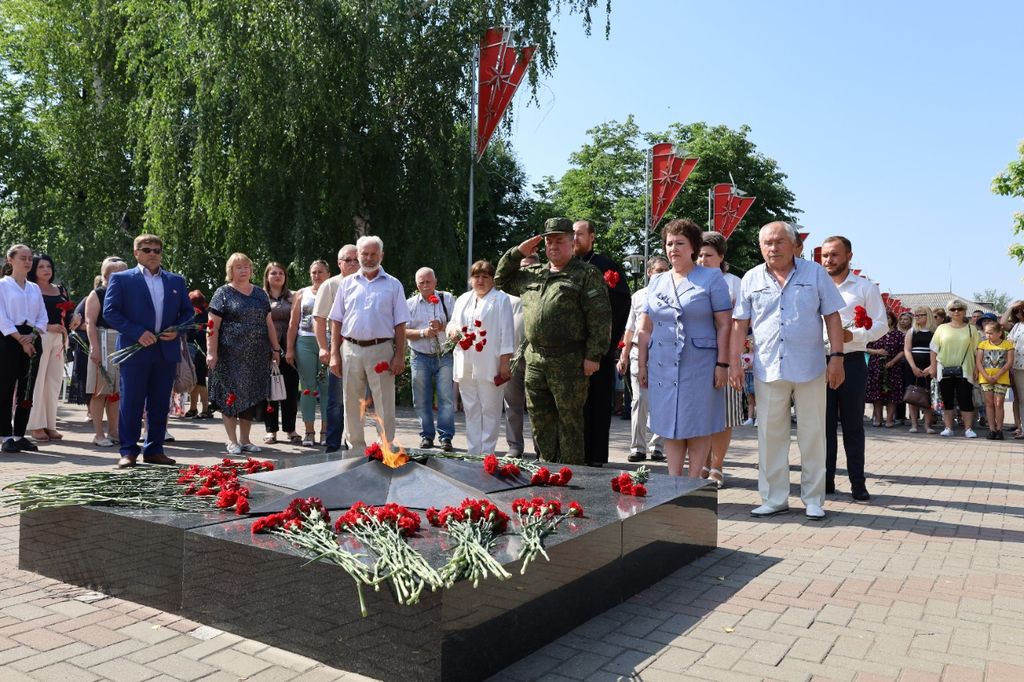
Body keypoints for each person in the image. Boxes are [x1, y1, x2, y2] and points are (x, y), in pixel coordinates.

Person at [730, 222, 846, 520]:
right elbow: (740, 324)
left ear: (794, 245)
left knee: (813, 433)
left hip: (810, 366)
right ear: (760, 247)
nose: (773, 247)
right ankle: (774, 498)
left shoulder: (815, 273)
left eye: (779, 241)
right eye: (767, 242)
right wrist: (734, 361)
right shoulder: (751, 278)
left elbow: (832, 317)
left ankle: (814, 499)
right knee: (770, 436)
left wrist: (837, 357)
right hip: (768, 367)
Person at [494, 217, 611, 465]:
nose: (553, 246)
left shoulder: (586, 274)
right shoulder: (532, 274)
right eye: (549, 242)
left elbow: (600, 317)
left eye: (559, 240)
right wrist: (518, 252)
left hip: (569, 360)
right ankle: (547, 467)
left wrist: (593, 355)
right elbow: (501, 279)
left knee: (569, 421)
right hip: (535, 360)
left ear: (572, 243)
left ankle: (571, 472)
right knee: (540, 419)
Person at [636, 219, 732, 478]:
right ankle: (673, 481)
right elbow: (645, 328)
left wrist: (723, 364)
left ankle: (693, 482)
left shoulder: (711, 278)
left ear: (693, 247)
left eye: (680, 243)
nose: (673, 249)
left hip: (700, 363)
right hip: (662, 362)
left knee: (698, 422)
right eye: (669, 244)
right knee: (670, 423)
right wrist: (642, 364)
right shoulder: (657, 282)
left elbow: (724, 324)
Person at [104, 235, 194, 467]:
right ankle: (128, 451)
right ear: (136, 252)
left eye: (157, 250)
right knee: (131, 402)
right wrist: (137, 332)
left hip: (166, 350)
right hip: (135, 350)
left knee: (160, 403)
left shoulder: (176, 281)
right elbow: (110, 311)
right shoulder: (122, 279)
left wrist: (177, 329)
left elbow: (188, 313)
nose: (153, 254)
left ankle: (154, 449)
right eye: (147, 250)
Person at [819, 235, 887, 501]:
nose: (829, 260)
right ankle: (825, 481)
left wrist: (854, 335)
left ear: (849, 256)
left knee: (853, 426)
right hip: (819, 362)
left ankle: (858, 483)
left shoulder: (864, 288)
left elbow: (881, 325)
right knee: (823, 427)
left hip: (852, 360)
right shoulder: (814, 285)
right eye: (825, 255)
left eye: (834, 254)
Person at [328, 236, 409, 452]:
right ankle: (355, 450)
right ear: (358, 255)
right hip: (350, 349)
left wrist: (399, 355)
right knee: (351, 403)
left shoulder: (393, 284)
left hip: (381, 349)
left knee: (384, 403)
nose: (369, 258)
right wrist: (334, 353)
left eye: (374, 254)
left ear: (381, 255)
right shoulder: (347, 284)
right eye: (364, 254)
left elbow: (400, 323)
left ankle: (386, 449)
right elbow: (336, 320)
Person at [206, 253, 279, 455]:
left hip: (256, 355)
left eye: (246, 266)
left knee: (250, 396)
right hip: (229, 355)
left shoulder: (260, 294)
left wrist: (275, 349)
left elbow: (269, 323)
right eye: (238, 267)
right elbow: (212, 326)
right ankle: (232, 441)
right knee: (230, 396)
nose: (243, 270)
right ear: (231, 271)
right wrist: (211, 352)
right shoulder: (222, 293)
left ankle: (246, 440)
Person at [572, 219, 630, 467]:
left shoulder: (606, 266)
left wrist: (604, 345)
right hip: (569, 352)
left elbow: (620, 306)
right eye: (571, 234)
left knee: (596, 404)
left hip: (597, 351)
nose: (574, 238)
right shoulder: (565, 265)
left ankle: (595, 456)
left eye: (579, 234)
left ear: (592, 236)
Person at [447, 260, 514, 455]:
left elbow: (507, 334)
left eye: (485, 276)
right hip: (465, 361)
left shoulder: (500, 299)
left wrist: (505, 363)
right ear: (471, 279)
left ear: (492, 279)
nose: (480, 280)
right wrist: (452, 331)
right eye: (476, 276)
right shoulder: (463, 299)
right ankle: (473, 452)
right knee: (471, 408)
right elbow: (452, 323)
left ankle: (487, 453)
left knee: (490, 409)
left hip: (490, 363)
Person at [697, 231, 744, 487]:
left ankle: (717, 466)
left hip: (725, 355)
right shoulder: (689, 279)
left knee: (724, 414)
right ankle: (702, 462)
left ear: (721, 257)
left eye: (708, 255)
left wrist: (732, 359)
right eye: (699, 255)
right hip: (696, 357)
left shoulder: (734, 283)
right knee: (700, 412)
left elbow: (740, 323)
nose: (702, 260)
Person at [618, 256, 669, 463]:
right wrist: (623, 355)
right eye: (659, 270)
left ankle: (657, 446)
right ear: (649, 272)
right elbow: (630, 328)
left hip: (665, 354)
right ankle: (637, 448)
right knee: (640, 400)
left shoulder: (673, 295)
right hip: (639, 352)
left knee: (663, 401)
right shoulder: (638, 296)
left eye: (666, 270)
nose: (663, 274)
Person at [0, 244, 48, 453]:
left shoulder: (34, 287)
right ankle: (5, 435)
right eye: (23, 258)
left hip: (32, 337)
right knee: (5, 388)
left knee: (27, 390)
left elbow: (43, 316)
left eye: (30, 258)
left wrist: (33, 335)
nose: (28, 262)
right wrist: (21, 340)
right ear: (10, 260)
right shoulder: (2, 285)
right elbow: (1, 317)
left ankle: (20, 434)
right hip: (9, 339)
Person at [27, 254, 78, 442]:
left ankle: (50, 425)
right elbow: (26, 316)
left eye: (48, 266)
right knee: (38, 382)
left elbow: (69, 312)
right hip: (39, 337)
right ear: (34, 269)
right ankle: (36, 425)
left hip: (60, 339)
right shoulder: (30, 289)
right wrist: (47, 327)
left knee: (54, 382)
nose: (46, 270)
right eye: (41, 267)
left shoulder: (60, 289)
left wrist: (75, 318)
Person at [314, 245, 360, 452]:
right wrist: (323, 348)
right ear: (339, 263)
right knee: (336, 399)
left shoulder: (368, 283)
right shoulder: (331, 285)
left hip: (363, 347)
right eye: (348, 260)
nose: (353, 263)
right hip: (338, 346)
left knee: (359, 399)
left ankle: (354, 444)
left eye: (356, 260)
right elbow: (319, 318)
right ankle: (332, 444)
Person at [406, 267, 457, 451]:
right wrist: (423, 332)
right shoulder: (409, 304)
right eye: (422, 282)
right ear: (417, 285)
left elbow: (457, 323)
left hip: (444, 354)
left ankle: (446, 437)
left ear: (435, 282)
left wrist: (442, 325)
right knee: (421, 399)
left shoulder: (447, 298)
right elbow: (402, 331)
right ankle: (427, 435)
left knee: (446, 398)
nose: (426, 285)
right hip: (419, 356)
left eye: (429, 281)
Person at [286, 259, 330, 446]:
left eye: (320, 272)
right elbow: (293, 322)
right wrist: (289, 348)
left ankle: (326, 432)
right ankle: (309, 432)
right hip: (305, 342)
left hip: (328, 343)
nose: (317, 276)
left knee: (327, 387)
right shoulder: (302, 293)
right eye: (314, 272)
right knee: (308, 388)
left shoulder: (334, 291)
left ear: (328, 274)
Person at [84, 257, 127, 446]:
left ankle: (114, 431)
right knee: (100, 390)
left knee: (116, 390)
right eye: (117, 274)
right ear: (106, 275)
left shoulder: (127, 294)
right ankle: (98, 434)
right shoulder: (98, 293)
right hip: (103, 341)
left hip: (122, 342)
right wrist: (95, 348)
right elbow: (90, 322)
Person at [929, 299, 979, 438]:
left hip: (966, 368)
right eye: (953, 309)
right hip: (944, 368)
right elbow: (933, 349)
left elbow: (978, 351)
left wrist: (977, 368)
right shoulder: (942, 328)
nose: (956, 311)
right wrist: (933, 367)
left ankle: (968, 429)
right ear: (949, 312)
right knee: (947, 400)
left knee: (966, 399)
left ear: (964, 311)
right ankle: (948, 428)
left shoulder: (972, 329)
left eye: (959, 309)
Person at [504, 254, 538, 457]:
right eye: (522, 267)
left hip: (537, 358)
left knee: (537, 406)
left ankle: (541, 448)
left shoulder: (542, 291)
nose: (525, 271)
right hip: (511, 358)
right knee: (512, 405)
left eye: (530, 267)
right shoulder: (507, 295)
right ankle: (514, 446)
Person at [263, 262, 300, 445]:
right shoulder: (260, 296)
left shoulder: (294, 296)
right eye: (273, 273)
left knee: (290, 391)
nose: (277, 276)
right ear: (267, 277)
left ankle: (290, 429)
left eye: (281, 273)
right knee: (270, 391)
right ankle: (271, 431)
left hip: (290, 347)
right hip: (267, 347)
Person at [865, 310, 905, 429]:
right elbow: (865, 348)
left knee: (892, 394)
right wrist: (877, 351)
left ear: (892, 319)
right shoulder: (874, 333)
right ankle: (878, 418)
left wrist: (893, 361)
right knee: (877, 394)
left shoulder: (898, 334)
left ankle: (889, 419)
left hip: (893, 366)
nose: (885, 320)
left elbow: (903, 350)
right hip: (876, 366)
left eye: (887, 317)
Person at [976, 318, 1014, 439]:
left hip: (1001, 378)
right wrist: (986, 376)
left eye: (991, 333)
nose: (988, 335)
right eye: (986, 332)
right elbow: (979, 362)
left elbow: (1009, 362)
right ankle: (992, 429)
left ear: (999, 333)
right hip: (985, 378)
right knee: (989, 403)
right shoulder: (983, 344)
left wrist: (997, 375)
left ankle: (999, 429)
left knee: (999, 403)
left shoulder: (1007, 344)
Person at [904, 306, 937, 434]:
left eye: (920, 315)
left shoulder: (935, 331)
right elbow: (907, 350)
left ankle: (927, 425)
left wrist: (931, 367)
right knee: (913, 395)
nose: (917, 317)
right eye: (916, 315)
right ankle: (914, 424)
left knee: (928, 396)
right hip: (913, 368)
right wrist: (913, 367)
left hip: (930, 367)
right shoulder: (912, 331)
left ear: (928, 316)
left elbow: (939, 350)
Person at [185, 290, 212, 419]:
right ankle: (193, 408)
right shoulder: (195, 315)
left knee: (200, 380)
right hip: (194, 351)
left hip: (201, 352)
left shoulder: (204, 316)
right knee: (194, 381)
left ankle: (206, 409)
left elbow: (200, 335)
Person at [1003, 301, 1024, 438]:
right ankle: (1022, 429)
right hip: (1018, 366)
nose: (1017, 313)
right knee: (1022, 398)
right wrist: (1010, 307)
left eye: (1019, 310)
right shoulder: (1016, 326)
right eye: (1015, 311)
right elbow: (1002, 323)